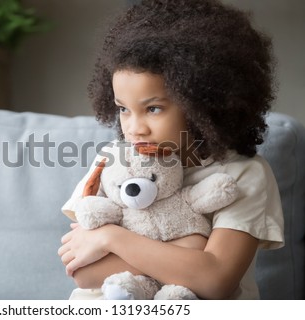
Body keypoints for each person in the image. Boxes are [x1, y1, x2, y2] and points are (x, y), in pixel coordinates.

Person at [57, 0, 284, 300]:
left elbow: (215, 280)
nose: (135, 128)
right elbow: (83, 272)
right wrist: (188, 258)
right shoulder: (114, 160)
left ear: (202, 103)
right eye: (123, 109)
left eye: (153, 108)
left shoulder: (242, 174)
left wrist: (111, 238)